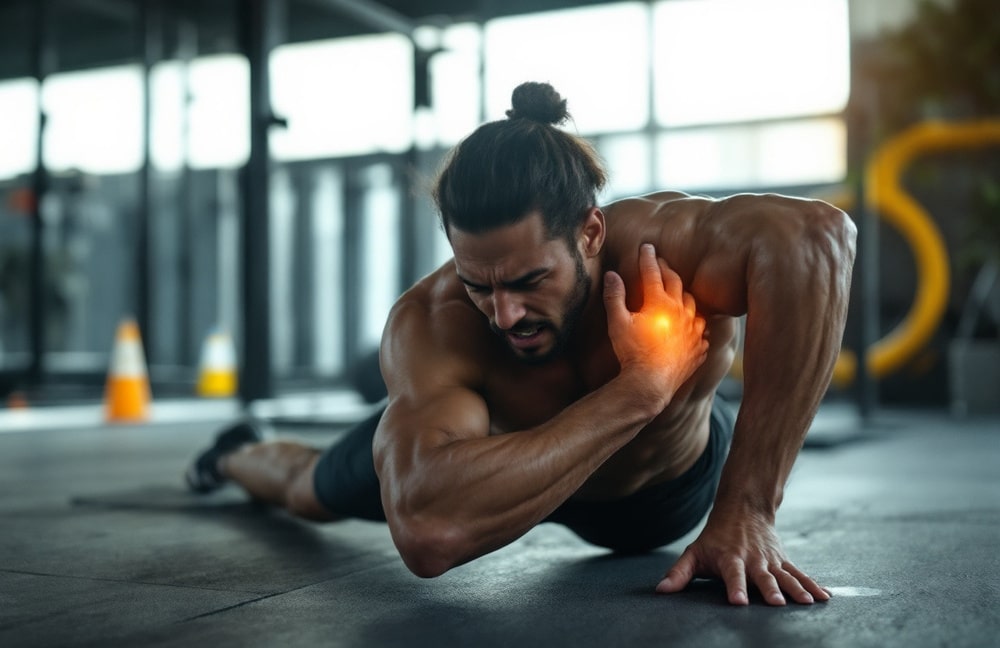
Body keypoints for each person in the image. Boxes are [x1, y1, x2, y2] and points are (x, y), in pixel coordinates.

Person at [186, 81, 856, 607]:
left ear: (591, 233)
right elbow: (429, 530)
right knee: (307, 487)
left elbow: (818, 240)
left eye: (531, 279)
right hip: (502, 472)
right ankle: (235, 454)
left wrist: (747, 508)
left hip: (666, 491)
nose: (505, 314)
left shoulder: (660, 248)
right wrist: (638, 391)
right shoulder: (432, 321)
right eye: (480, 283)